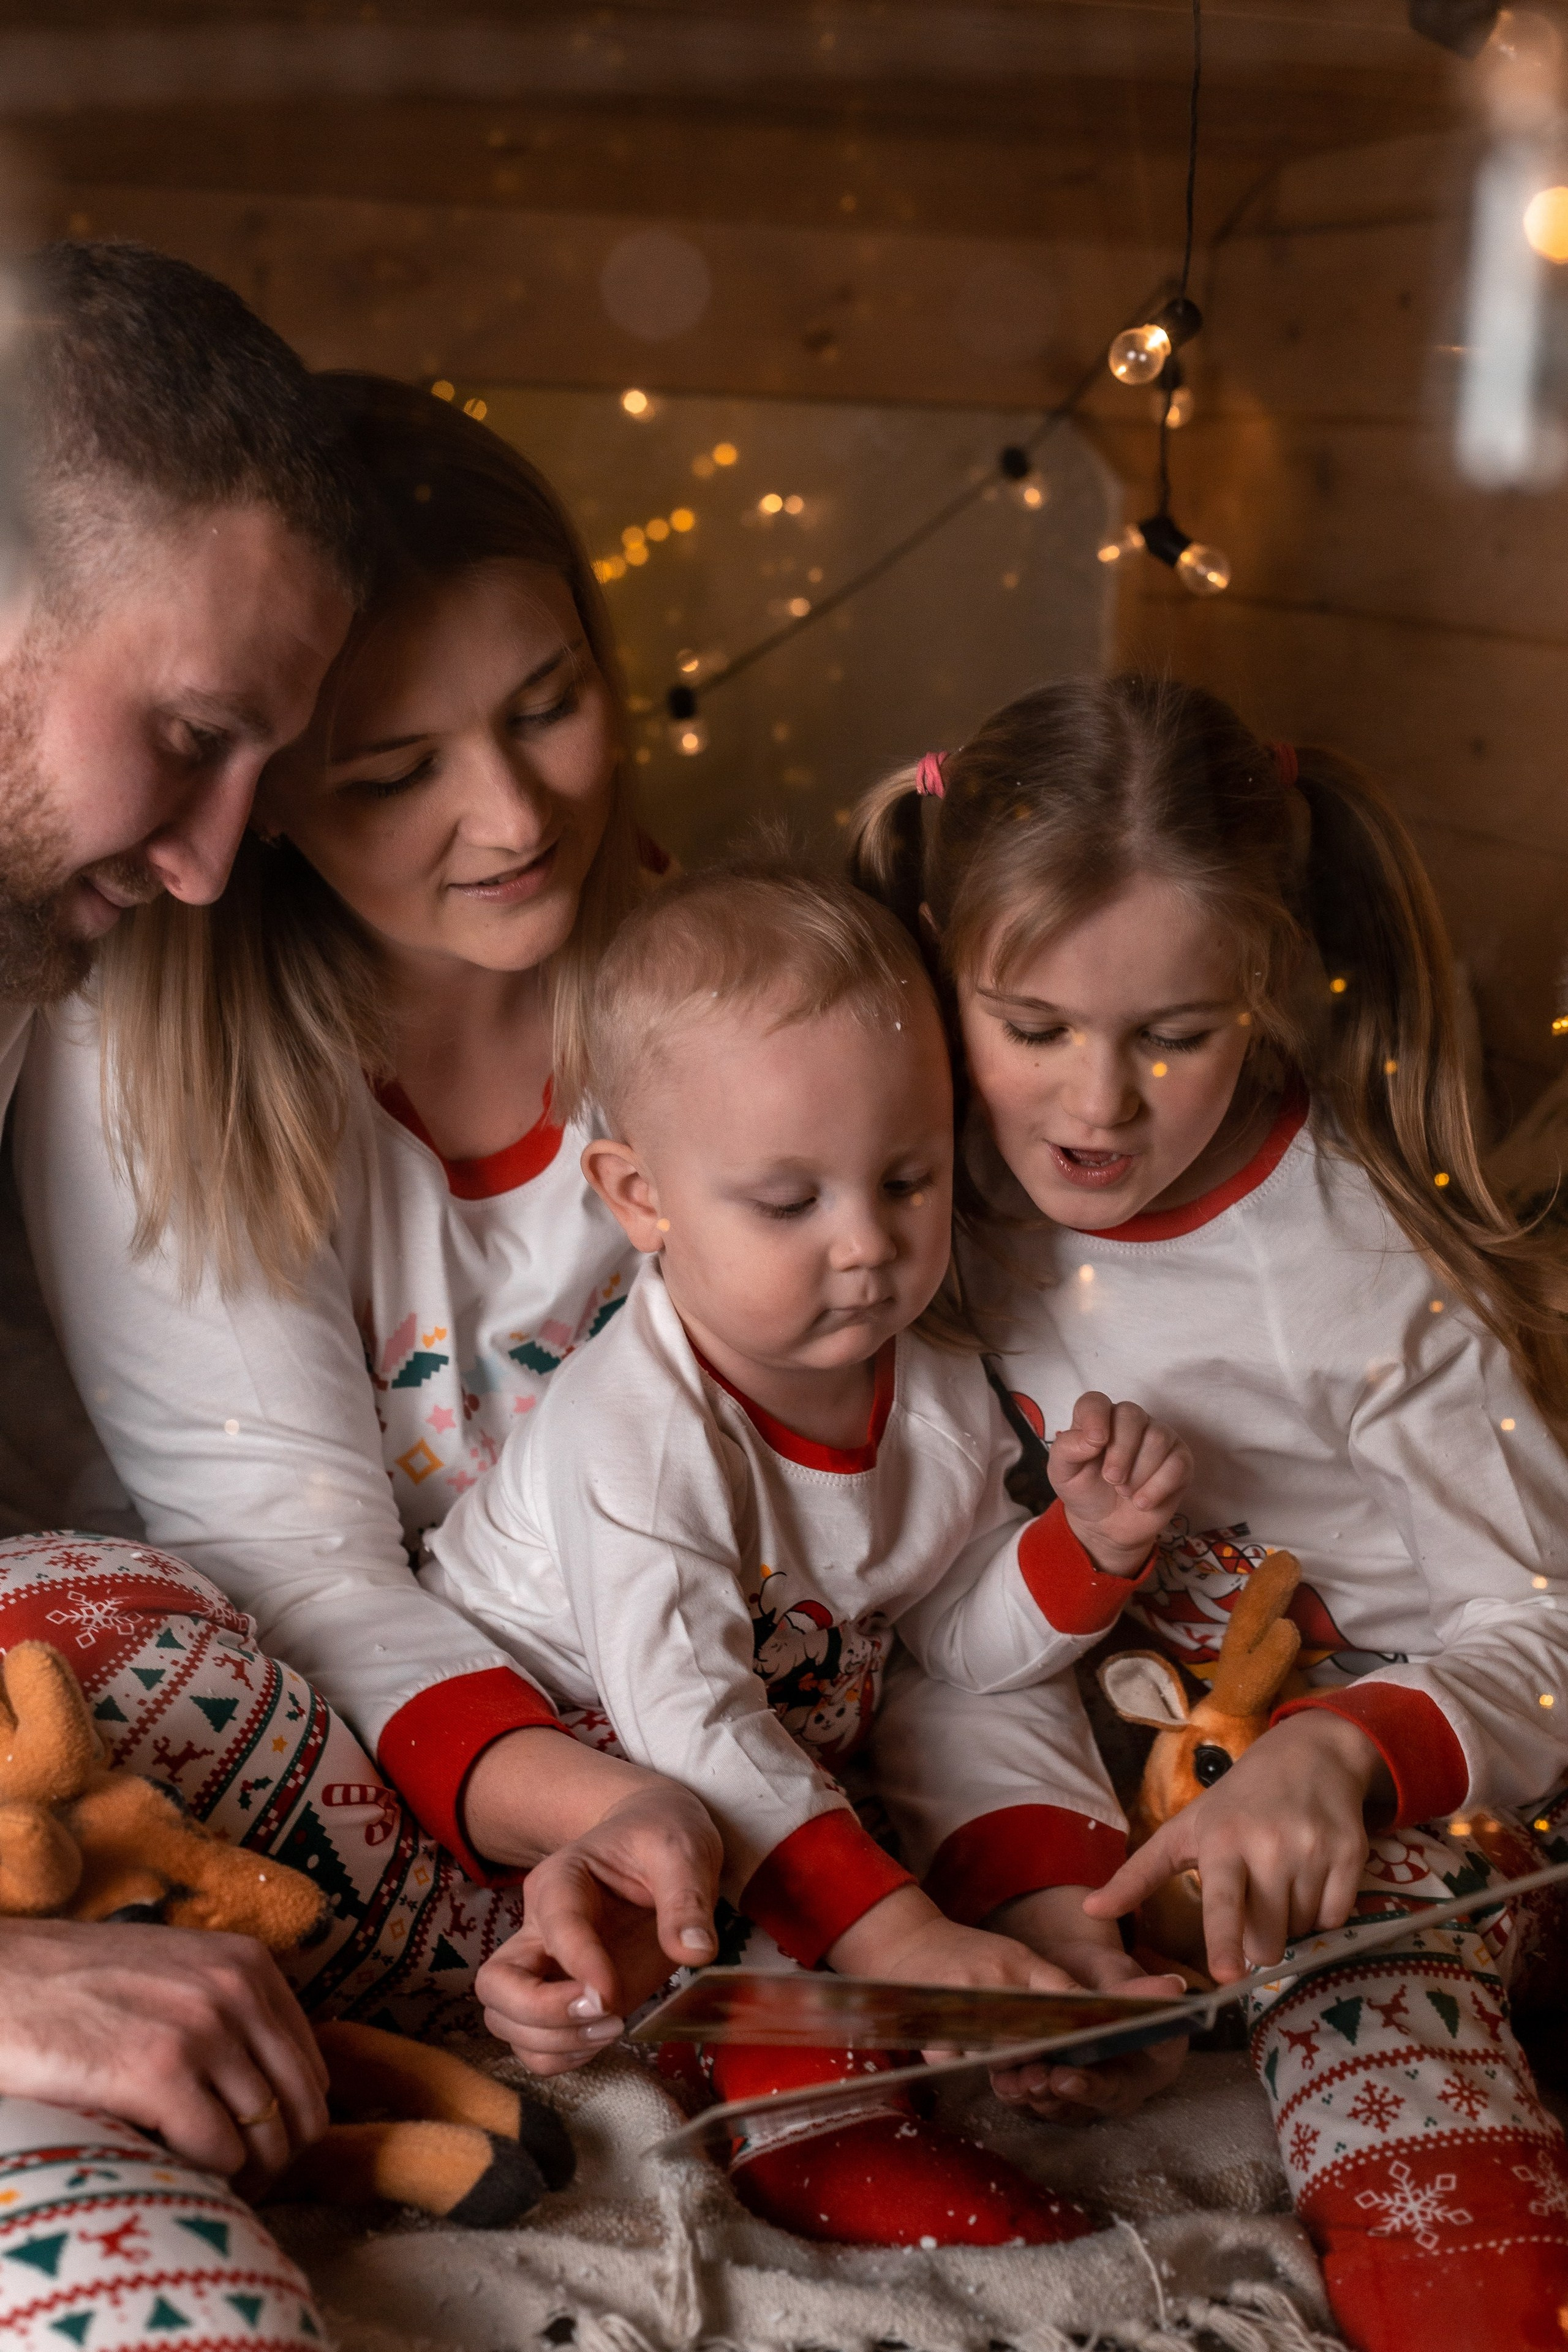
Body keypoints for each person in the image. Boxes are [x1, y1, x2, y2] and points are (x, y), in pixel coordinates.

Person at [1, 260, 718, 2348]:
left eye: (267, 758)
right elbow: (261, 1563)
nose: (214, 859)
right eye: (197, 739)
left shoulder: (40, 947)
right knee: (105, 1617)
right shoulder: (117, 1006)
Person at [848, 674, 1568, 2352]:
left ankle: (1466, 2273)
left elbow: (1548, 1627)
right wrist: (1060, 1898)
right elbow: (955, 1628)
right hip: (1117, 1733)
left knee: (1369, 2000)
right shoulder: (930, 1196)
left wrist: (1343, 1756)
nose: (1095, 1108)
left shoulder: (1359, 1270)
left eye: (1172, 1035)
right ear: (940, 971)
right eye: (1033, 1028)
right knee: (914, 1687)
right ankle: (1083, 1958)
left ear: (1263, 987)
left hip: (1410, 1792)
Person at [423, 858, 1191, 2248]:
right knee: (741, 1889)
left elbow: (952, 1640)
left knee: (967, 1753)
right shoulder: (635, 1430)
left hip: (785, 1730)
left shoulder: (935, 1385)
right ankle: (828, 2141)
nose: (867, 1247)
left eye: (905, 1179)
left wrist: (1082, 1551)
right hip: (574, 1751)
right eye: (788, 1204)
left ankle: (1047, 1979)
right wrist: (898, 1937)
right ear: (640, 1196)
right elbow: (695, 1731)